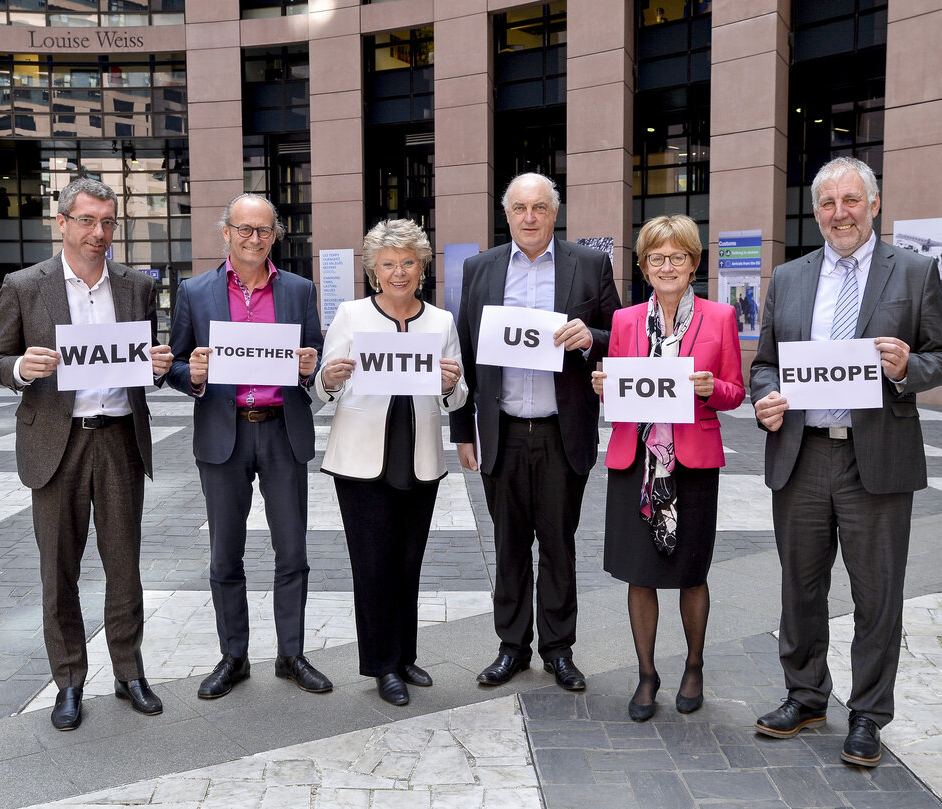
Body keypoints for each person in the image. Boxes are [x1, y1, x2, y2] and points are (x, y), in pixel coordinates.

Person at [750, 156, 942, 766]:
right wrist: (765, 397)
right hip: (803, 455)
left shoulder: (915, 272)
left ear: (873, 205)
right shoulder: (788, 278)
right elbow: (764, 362)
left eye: (850, 201)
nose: (839, 213)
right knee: (801, 587)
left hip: (878, 461)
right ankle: (806, 695)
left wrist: (905, 368)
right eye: (827, 203)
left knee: (877, 594)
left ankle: (867, 714)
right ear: (815, 212)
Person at [0, 177, 173, 731]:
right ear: (62, 222)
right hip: (54, 443)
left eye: (108, 223)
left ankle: (129, 672)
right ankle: (68, 680)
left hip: (119, 438)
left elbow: (146, 365)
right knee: (59, 570)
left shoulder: (137, 285)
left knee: (124, 566)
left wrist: (159, 367)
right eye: (87, 221)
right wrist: (22, 369)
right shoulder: (24, 285)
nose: (99, 233)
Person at [451, 172, 622, 691]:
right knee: (508, 545)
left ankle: (559, 649)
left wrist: (590, 337)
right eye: (520, 208)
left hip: (560, 432)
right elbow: (463, 353)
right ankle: (511, 648)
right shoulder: (479, 269)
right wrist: (463, 430)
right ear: (506, 215)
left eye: (540, 208)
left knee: (558, 543)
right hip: (500, 431)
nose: (530, 217)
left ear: (555, 213)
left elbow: (622, 336)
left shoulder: (590, 266)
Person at [167, 192, 331, 700]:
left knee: (293, 551)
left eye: (262, 230)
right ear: (226, 233)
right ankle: (233, 657)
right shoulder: (195, 292)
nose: (253, 238)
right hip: (224, 432)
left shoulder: (300, 290)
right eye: (244, 229)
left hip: (283, 430)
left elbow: (316, 355)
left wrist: (310, 368)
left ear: (275, 235)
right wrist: (189, 375)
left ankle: (292, 654)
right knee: (225, 555)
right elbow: (170, 363)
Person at [591, 215, 744, 721]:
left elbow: (735, 392)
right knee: (641, 574)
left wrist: (709, 389)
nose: (667, 266)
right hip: (636, 464)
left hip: (691, 464)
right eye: (656, 258)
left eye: (678, 256)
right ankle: (647, 674)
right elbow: (616, 383)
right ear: (643, 266)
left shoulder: (720, 318)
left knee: (691, 573)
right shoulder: (625, 321)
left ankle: (694, 665)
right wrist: (603, 387)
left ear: (694, 263)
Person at [316, 219, 468, 706]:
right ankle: (381, 665)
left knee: (408, 562)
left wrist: (450, 384)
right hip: (361, 461)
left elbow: (458, 396)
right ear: (372, 270)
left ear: (421, 268)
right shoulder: (351, 314)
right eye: (387, 264)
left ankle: (404, 655)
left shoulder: (441, 321)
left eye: (407, 262)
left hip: (419, 458)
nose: (398, 272)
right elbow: (322, 388)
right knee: (373, 565)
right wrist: (330, 378)